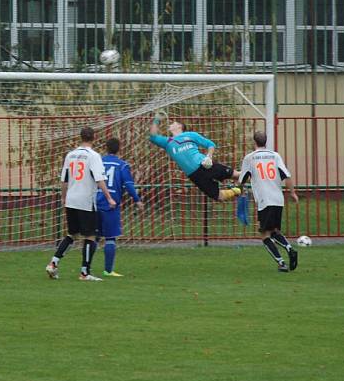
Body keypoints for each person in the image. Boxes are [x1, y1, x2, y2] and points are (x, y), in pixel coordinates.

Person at [46, 127, 115, 281]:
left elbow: (64, 180)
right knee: (90, 236)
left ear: (80, 137)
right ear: (94, 138)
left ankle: (53, 263)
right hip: (85, 201)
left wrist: (64, 197)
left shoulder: (70, 155)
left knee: (72, 234)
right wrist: (109, 197)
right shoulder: (94, 156)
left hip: (71, 199)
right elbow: (99, 179)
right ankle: (85, 272)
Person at [238, 130, 300, 273]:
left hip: (264, 200)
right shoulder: (275, 156)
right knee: (274, 231)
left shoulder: (250, 158)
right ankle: (289, 249)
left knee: (265, 235)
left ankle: (281, 263)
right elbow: (286, 175)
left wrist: (238, 191)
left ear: (254, 142)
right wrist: (292, 193)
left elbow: (242, 180)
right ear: (266, 142)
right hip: (278, 199)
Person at [149, 116, 241, 202]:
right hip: (194, 175)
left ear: (179, 126)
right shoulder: (167, 142)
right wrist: (157, 119)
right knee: (218, 197)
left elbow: (210, 145)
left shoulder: (191, 135)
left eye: (173, 123)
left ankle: (253, 173)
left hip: (204, 165)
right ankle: (236, 190)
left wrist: (209, 157)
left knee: (236, 175)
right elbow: (152, 136)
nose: (170, 124)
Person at [96, 137, 144, 277]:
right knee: (110, 238)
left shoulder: (99, 161)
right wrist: (137, 200)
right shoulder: (122, 165)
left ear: (106, 147)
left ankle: (86, 269)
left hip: (95, 201)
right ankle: (108, 270)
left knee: (94, 237)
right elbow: (128, 185)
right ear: (119, 149)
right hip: (111, 204)